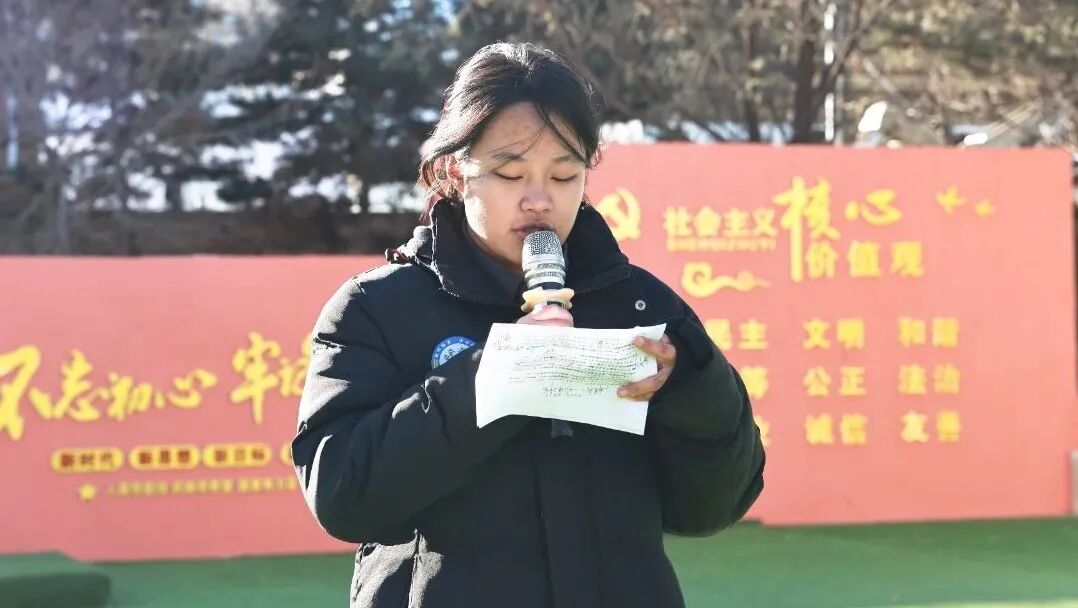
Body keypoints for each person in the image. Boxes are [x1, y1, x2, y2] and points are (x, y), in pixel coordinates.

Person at [292, 42, 765, 608]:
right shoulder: (377, 307)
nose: (539, 201)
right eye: (511, 173)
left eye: (564, 176)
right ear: (454, 170)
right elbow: (342, 495)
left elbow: (714, 508)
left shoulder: (639, 306)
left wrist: (689, 388)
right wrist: (494, 376)